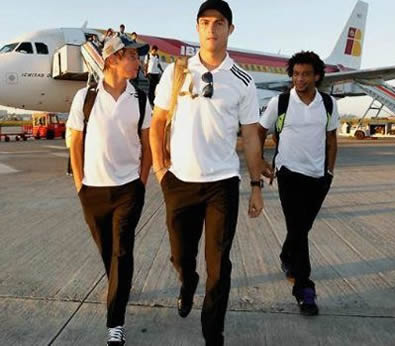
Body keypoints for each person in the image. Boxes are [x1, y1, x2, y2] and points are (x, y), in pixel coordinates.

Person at [150, 1, 263, 345]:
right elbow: (157, 122)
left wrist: (256, 185)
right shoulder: (176, 72)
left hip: (222, 184)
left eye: (218, 23)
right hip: (179, 181)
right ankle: (187, 281)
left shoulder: (243, 81)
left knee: (220, 263)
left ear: (230, 29)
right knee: (180, 255)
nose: (211, 29)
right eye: (205, 22)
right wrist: (160, 169)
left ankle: (213, 330)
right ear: (197, 28)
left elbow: (252, 137)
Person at [67, 35, 151, 346]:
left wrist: (141, 182)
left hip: (129, 189)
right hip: (92, 190)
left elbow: (147, 144)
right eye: (130, 55)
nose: (137, 61)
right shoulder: (85, 97)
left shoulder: (141, 98)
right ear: (112, 58)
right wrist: (79, 183)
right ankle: (120, 285)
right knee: (108, 252)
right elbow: (74, 141)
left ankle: (115, 324)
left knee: (121, 251)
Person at [258, 51, 338, 316]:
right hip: (288, 172)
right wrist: (259, 160)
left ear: (317, 76)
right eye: (295, 74)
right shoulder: (279, 102)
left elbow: (331, 138)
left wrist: (329, 171)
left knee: (301, 227)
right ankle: (305, 290)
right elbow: (260, 131)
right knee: (299, 229)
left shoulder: (328, 103)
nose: (299, 79)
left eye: (305, 74)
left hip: (318, 176)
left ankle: (286, 255)